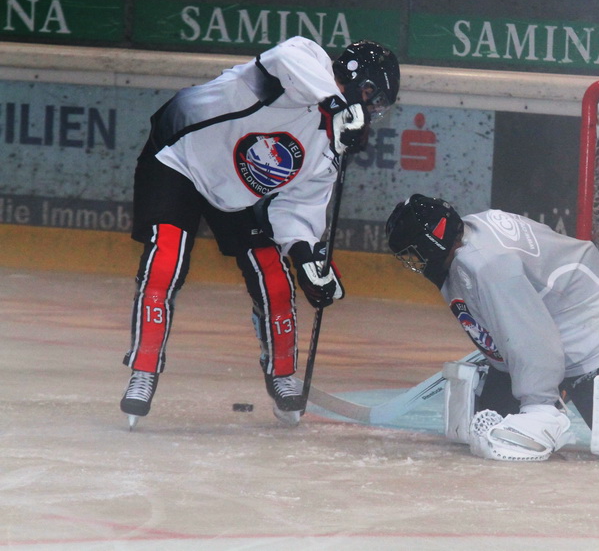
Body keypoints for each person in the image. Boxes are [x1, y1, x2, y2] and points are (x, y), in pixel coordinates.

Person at [120, 37, 399, 428]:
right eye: (371, 97)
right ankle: (144, 369)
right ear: (356, 80)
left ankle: (282, 373)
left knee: (275, 280)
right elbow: (287, 57)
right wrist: (338, 104)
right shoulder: (304, 65)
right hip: (179, 158)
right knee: (166, 259)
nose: (369, 110)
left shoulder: (328, 147)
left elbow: (295, 210)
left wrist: (306, 259)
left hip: (235, 192)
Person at [384, 194, 599, 461]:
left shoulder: (489, 265)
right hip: (559, 323)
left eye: (415, 252)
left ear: (433, 243)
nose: (415, 261)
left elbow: (532, 338)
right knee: (490, 424)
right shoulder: (472, 235)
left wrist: (539, 405)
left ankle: (549, 410)